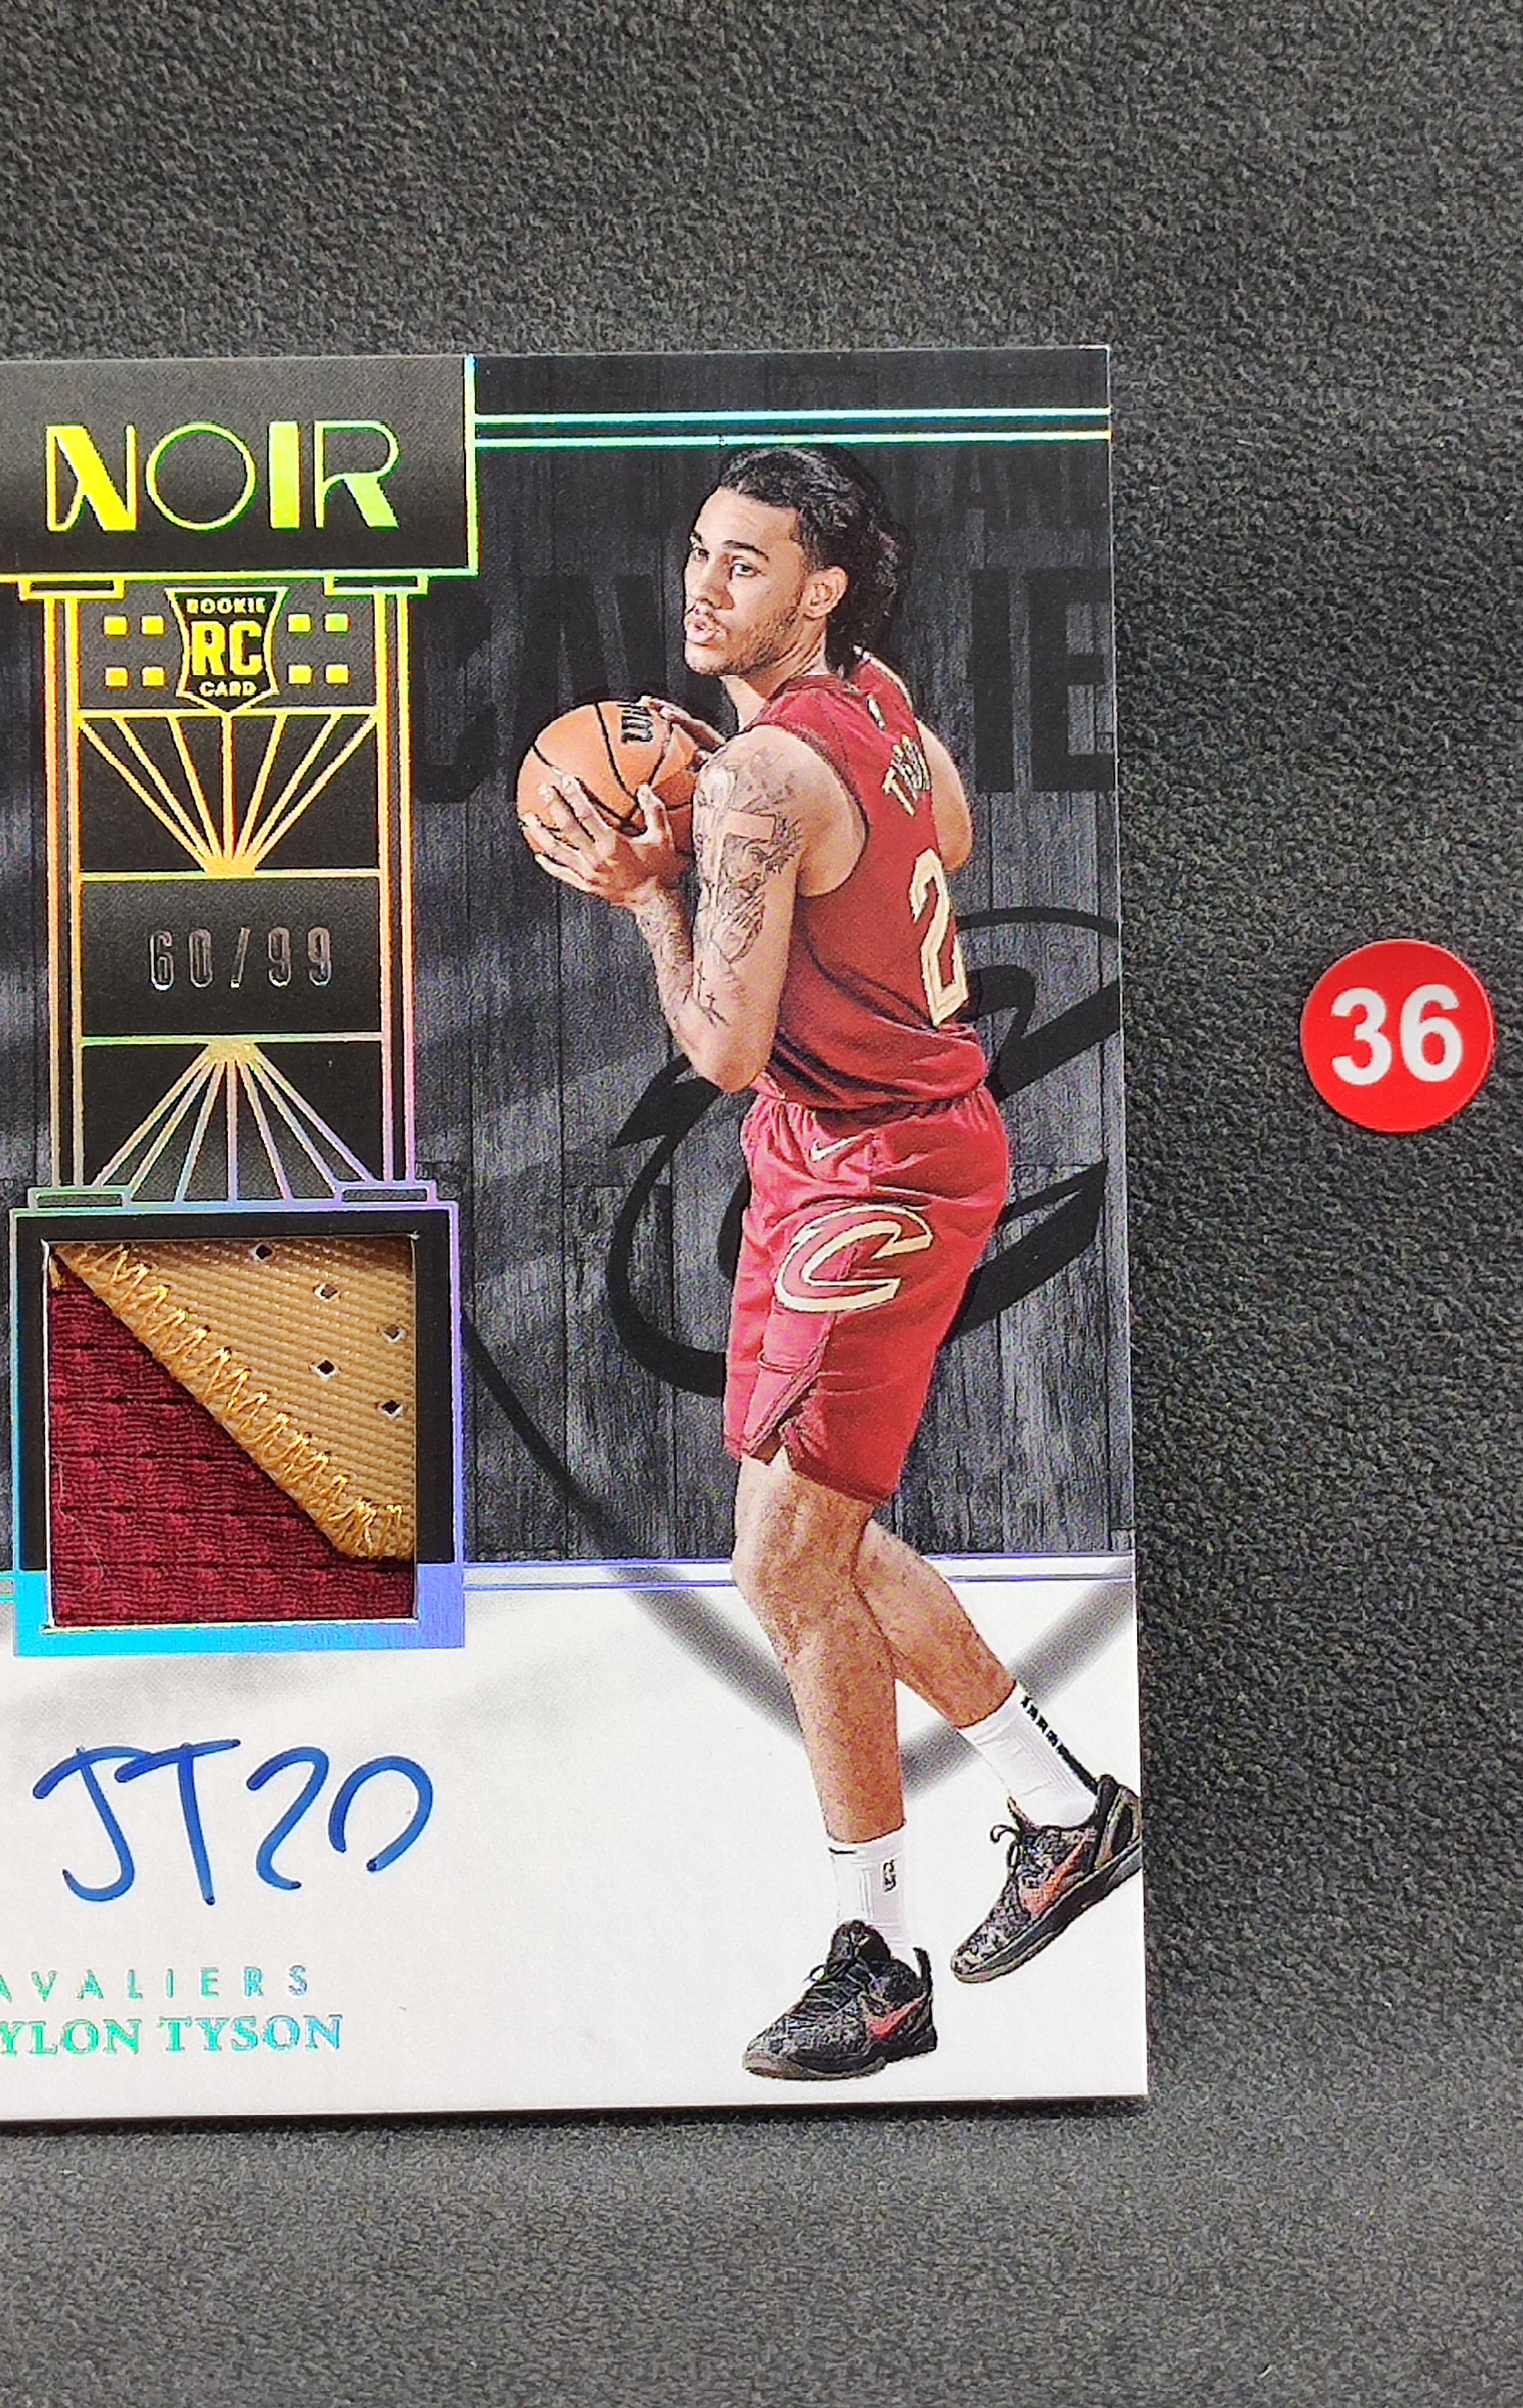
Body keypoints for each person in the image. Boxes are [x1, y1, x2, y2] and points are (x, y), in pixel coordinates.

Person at [522, 447, 1142, 2081]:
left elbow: (721, 1051)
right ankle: (1064, 1811)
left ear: (825, 588)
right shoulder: (884, 711)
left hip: (877, 1169)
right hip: (841, 1154)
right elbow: (946, 833)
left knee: (787, 1565)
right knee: (826, 1545)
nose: (702, 585)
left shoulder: (755, 779)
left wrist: (652, 892)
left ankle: (878, 1964)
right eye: (699, 552)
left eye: (746, 563)